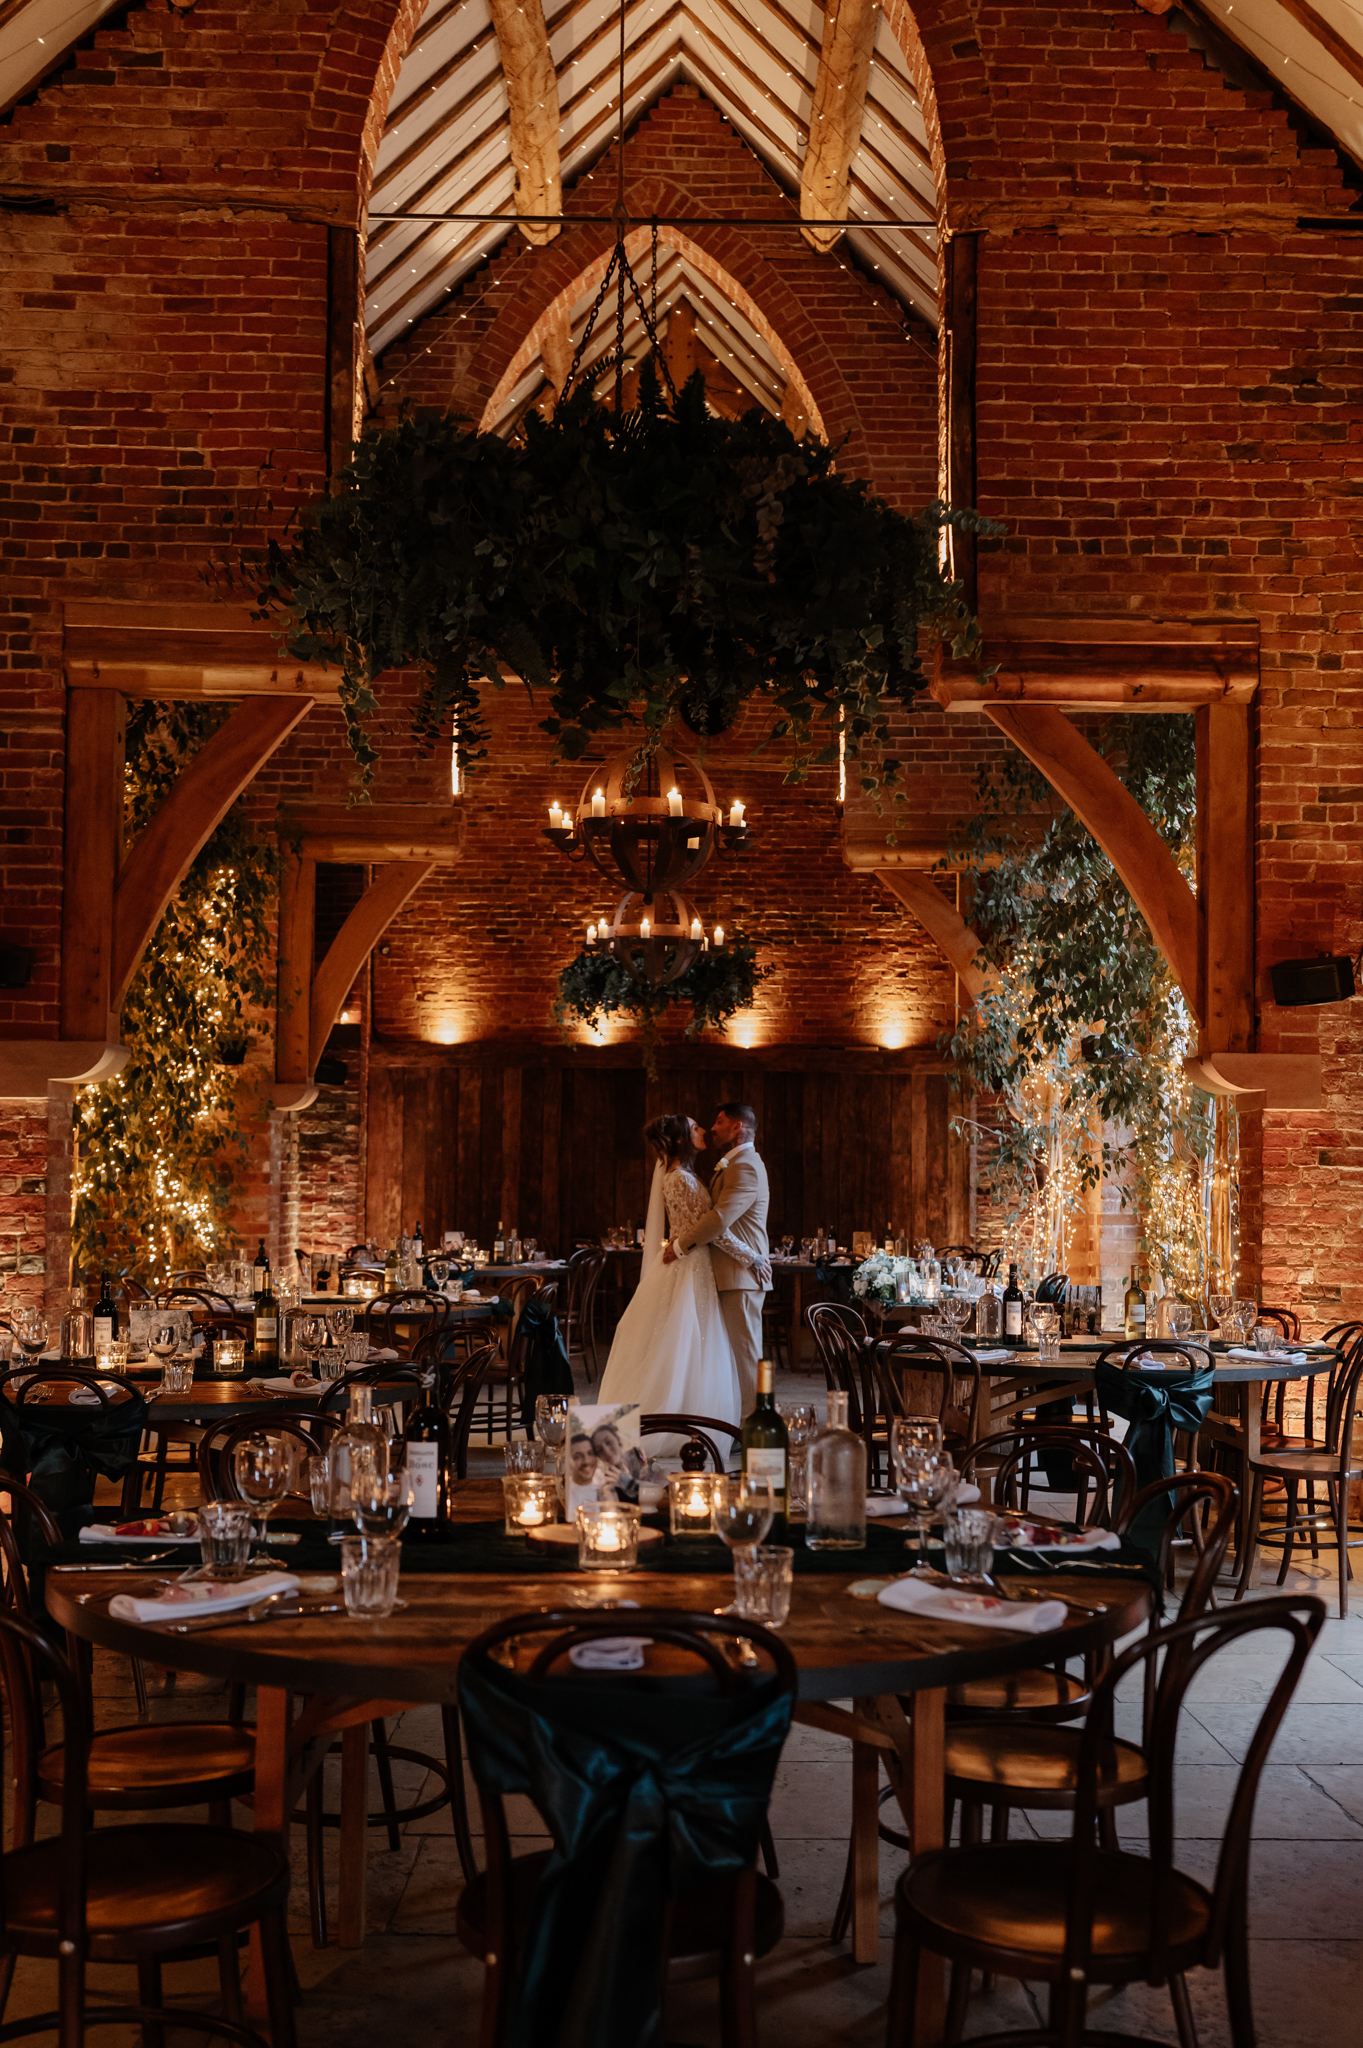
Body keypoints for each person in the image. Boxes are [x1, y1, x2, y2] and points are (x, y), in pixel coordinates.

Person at [596, 1114, 766, 1440]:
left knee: (696, 1347)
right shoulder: (680, 1179)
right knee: (686, 1344)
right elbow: (711, 1231)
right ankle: (674, 1426)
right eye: (694, 1128)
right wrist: (752, 1256)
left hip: (695, 1264)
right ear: (679, 1141)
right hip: (690, 1266)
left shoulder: (685, 1174)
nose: (702, 1130)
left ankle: (696, 1419)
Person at [663, 1102, 771, 1413]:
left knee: (745, 1357)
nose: (713, 1127)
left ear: (737, 1128)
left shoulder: (746, 1165)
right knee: (732, 1358)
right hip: (727, 1272)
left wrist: (681, 1245)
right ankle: (733, 1423)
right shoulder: (732, 1163)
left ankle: (752, 1429)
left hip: (741, 1274)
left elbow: (720, 1218)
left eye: (720, 1121)